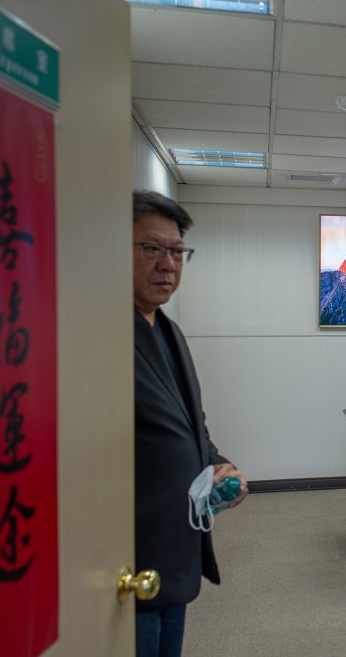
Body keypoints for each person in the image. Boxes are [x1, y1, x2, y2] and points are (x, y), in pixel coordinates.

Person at [132, 190, 248, 657]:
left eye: (177, 252)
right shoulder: (92, 331)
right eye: (151, 249)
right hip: (128, 553)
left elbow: (190, 426)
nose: (168, 264)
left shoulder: (168, 330)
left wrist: (219, 465)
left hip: (175, 546)